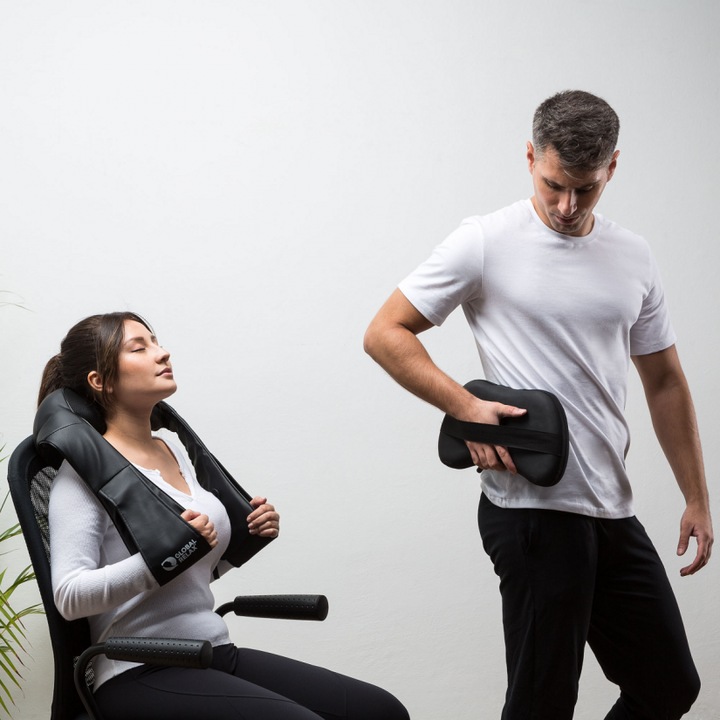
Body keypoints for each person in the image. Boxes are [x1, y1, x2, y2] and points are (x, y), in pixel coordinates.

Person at [363, 90, 713, 719]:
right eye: (554, 185)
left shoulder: (633, 255)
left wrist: (696, 496)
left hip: (610, 505)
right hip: (531, 508)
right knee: (542, 704)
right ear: (530, 157)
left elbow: (664, 381)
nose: (567, 206)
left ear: (612, 167)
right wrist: (463, 404)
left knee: (668, 686)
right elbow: (385, 332)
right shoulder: (485, 240)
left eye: (585, 188)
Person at [42, 311, 410, 720]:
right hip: (138, 669)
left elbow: (187, 573)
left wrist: (247, 538)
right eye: (139, 348)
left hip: (210, 652)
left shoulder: (172, 449)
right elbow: (69, 597)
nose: (162, 353)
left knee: (380, 711)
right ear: (101, 381)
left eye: (156, 341)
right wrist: (159, 559)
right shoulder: (80, 477)